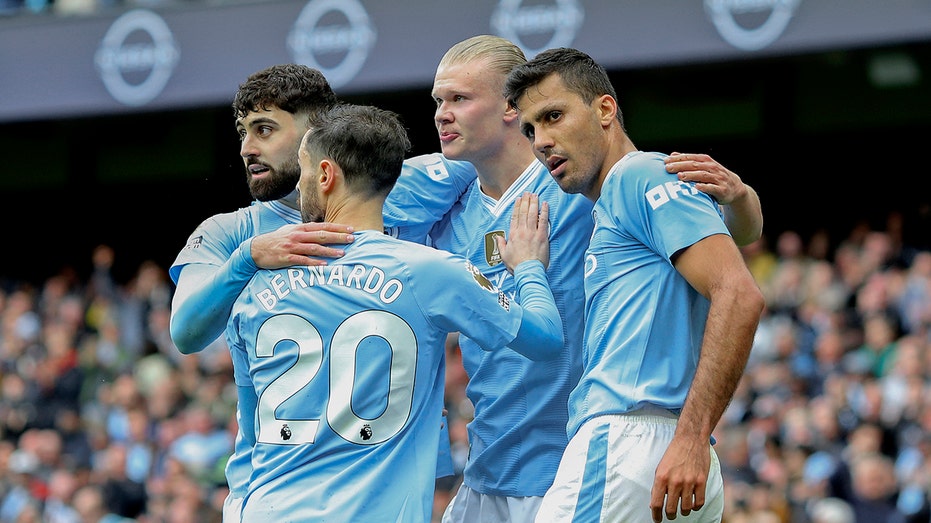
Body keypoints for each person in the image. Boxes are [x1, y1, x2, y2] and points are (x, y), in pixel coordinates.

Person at [426, 35, 763, 522]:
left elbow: (739, 293)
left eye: (554, 117)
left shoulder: (637, 176)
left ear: (605, 109)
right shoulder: (611, 201)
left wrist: (690, 436)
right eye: (531, 127)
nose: (541, 139)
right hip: (659, 451)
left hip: (626, 441)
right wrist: (742, 198)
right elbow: (740, 239)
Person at [226, 103, 564, 521]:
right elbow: (546, 339)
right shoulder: (432, 273)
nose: (300, 184)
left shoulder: (253, 287)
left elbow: (250, 433)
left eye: (304, 170)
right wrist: (529, 266)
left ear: (327, 175)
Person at [167, 63, 476, 521]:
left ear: (316, 134)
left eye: (264, 129)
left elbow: (490, 158)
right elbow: (186, 331)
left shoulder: (395, 187)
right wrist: (248, 258)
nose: (247, 148)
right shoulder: (232, 233)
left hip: (387, 496)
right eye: (244, 132)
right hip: (277, 495)